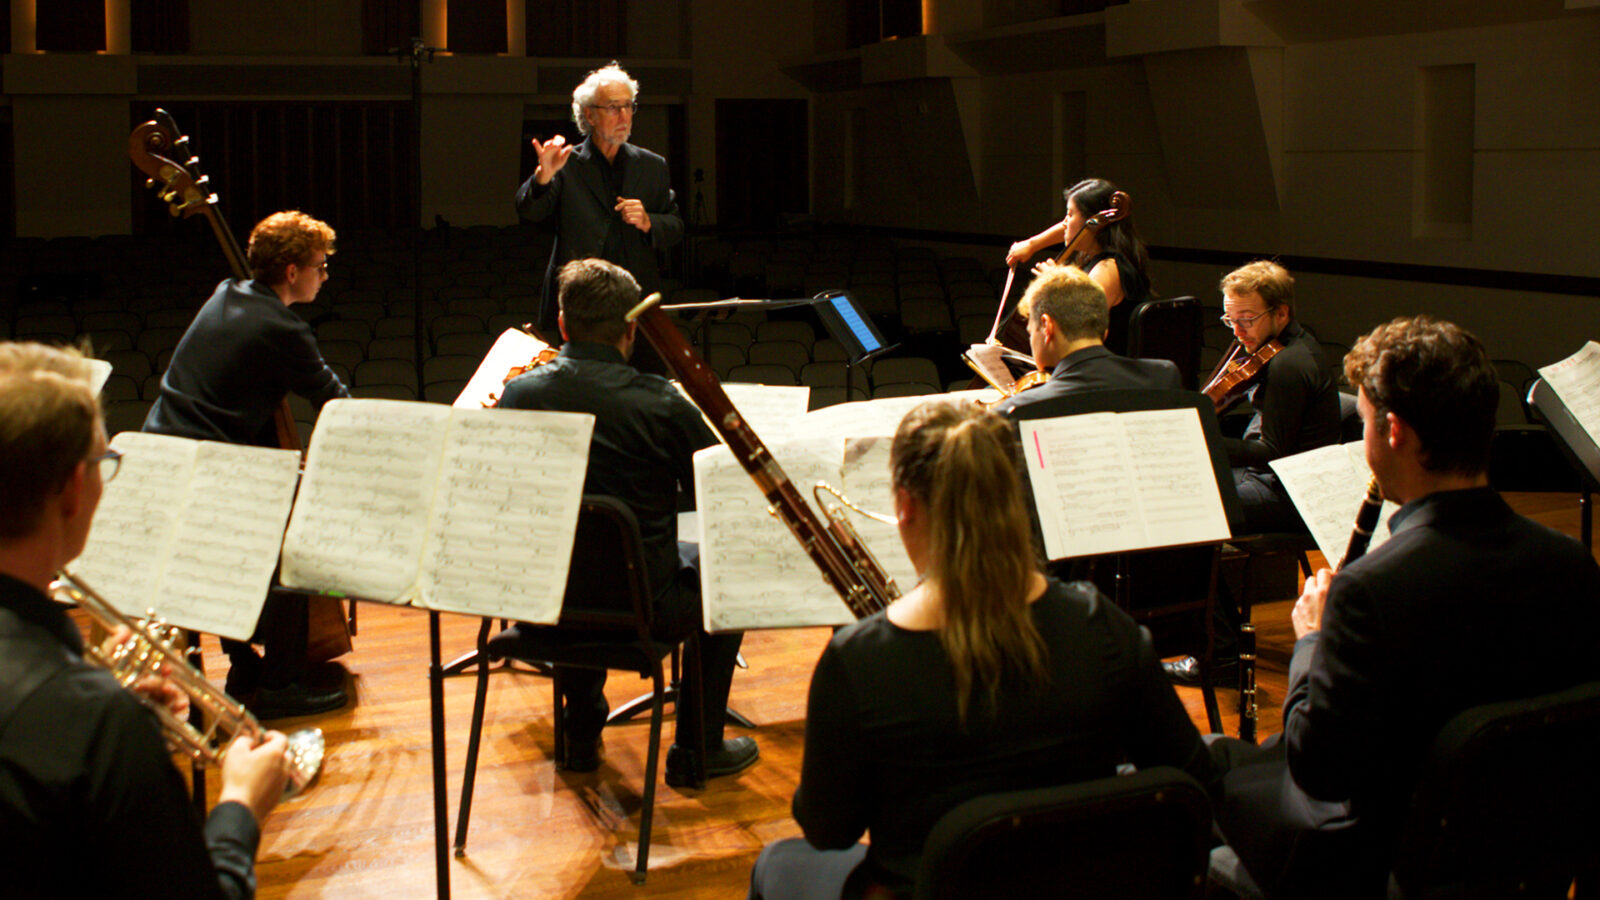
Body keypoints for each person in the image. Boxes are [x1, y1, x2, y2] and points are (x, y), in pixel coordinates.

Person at [747, 400, 1218, 900]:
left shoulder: (859, 659)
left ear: (905, 505)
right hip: (1082, 884)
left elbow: (828, 832)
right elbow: (1196, 779)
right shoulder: (1100, 625)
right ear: (1013, 502)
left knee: (778, 862)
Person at [1208, 316, 1600, 898]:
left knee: (1206, 793)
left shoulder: (1374, 591)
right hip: (1521, 862)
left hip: (1384, 864)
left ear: (1393, 432)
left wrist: (1315, 638)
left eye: (1362, 422)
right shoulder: (1571, 565)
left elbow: (1316, 767)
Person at [0, 341, 291, 900]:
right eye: (103, 464)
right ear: (71, 489)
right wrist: (239, 810)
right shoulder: (95, 724)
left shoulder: (88, 715)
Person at [495, 258, 756, 785]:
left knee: (578, 552)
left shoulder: (520, 395)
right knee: (726, 579)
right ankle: (695, 751)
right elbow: (723, 498)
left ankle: (582, 726)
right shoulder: (660, 404)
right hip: (644, 610)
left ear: (563, 326)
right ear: (632, 329)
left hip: (543, 604)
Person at [143, 209, 350, 719]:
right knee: (293, 556)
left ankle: (243, 659)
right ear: (292, 272)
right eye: (320, 267)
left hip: (160, 457)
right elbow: (336, 402)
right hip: (201, 472)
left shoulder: (226, 295)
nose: (325, 276)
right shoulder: (284, 328)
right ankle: (280, 685)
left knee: (266, 544)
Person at [515, 62, 684, 364]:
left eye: (628, 106)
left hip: (637, 308)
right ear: (589, 115)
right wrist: (543, 177)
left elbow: (675, 226)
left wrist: (649, 222)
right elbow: (530, 211)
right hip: (580, 306)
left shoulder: (652, 165)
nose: (623, 116)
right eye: (612, 107)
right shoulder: (567, 163)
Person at [1214, 260, 1341, 533]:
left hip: (1290, 495)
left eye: (1247, 320)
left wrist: (1208, 443)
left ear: (1281, 314)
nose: (1237, 332)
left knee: (1194, 506)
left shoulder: (1290, 364)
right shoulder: (1283, 348)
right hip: (1269, 480)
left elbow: (1273, 452)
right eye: (1230, 321)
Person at [994, 263, 1180, 418]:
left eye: (1031, 332)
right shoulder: (1163, 376)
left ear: (1046, 327)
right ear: (1104, 332)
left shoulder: (1018, 410)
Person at [1006, 178, 1152, 354]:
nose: (1064, 222)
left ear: (1094, 223)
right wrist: (1032, 245)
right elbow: (1072, 227)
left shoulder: (1106, 270)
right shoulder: (1097, 259)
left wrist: (1057, 285)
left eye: (1070, 214)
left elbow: (1080, 334)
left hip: (1104, 375)